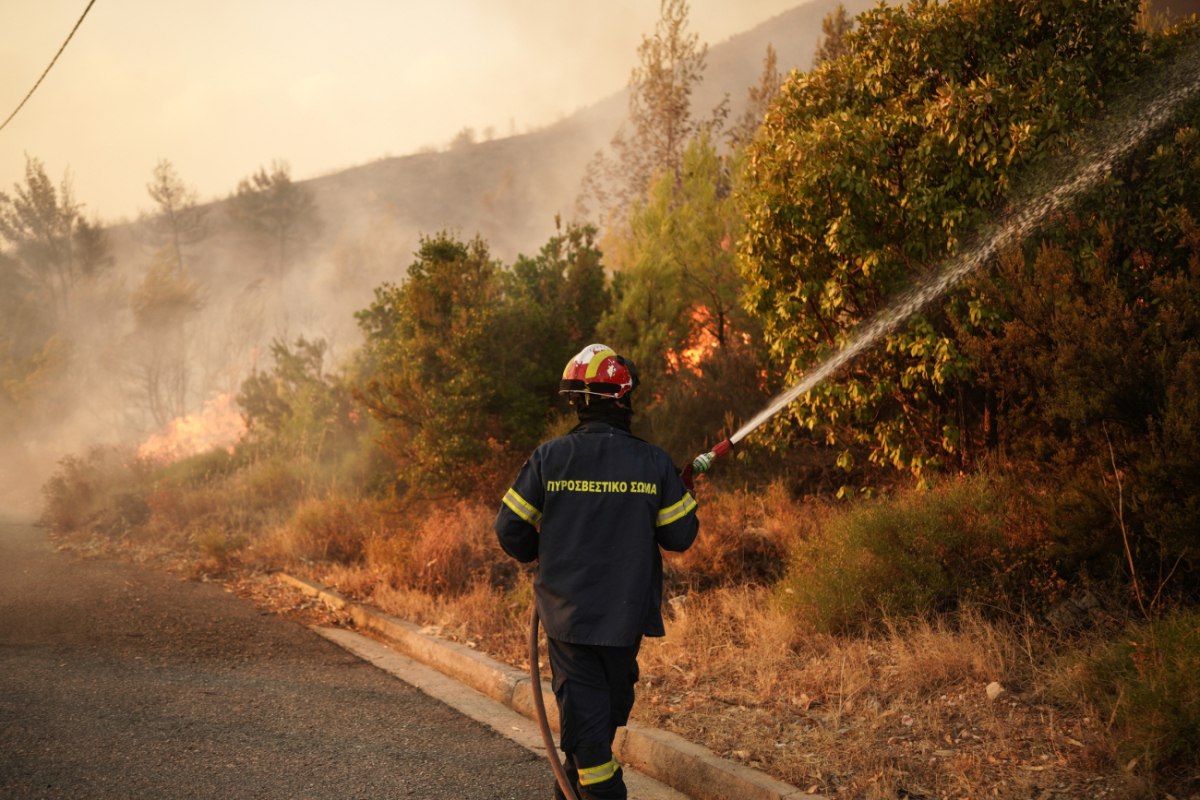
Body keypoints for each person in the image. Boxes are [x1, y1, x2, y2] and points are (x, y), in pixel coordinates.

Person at [494, 343, 700, 800]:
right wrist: (679, 492)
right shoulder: (653, 462)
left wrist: (539, 553)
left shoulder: (551, 458)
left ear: (578, 402)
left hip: (570, 617)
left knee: (592, 734)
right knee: (592, 745)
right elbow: (680, 537)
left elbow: (509, 527)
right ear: (624, 400)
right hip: (623, 623)